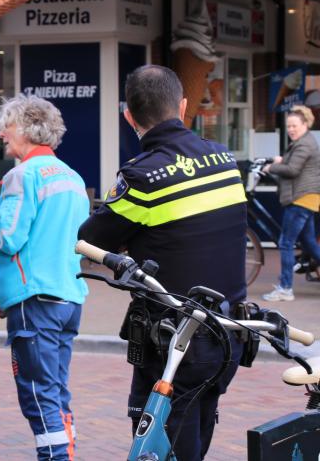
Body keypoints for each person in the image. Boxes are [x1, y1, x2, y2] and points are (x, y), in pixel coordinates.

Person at [78, 65, 248, 461]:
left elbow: (91, 238)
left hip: (176, 343)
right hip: (230, 335)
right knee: (197, 433)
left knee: (160, 446)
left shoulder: (142, 178)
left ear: (129, 117)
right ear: (184, 106)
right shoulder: (225, 160)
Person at [0, 94, 90, 461]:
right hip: (68, 297)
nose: (1, 134)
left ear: (24, 128)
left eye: (5, 126)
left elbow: (9, 237)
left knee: (37, 394)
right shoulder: (71, 176)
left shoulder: (22, 176)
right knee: (56, 389)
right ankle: (66, 452)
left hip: (34, 302)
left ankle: (55, 457)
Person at [262, 105, 320, 302]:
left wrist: (272, 167)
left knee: (286, 243)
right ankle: (285, 286)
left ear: (305, 124)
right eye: (288, 126)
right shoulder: (304, 142)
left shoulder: (305, 144)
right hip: (306, 198)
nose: (291, 129)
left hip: (300, 199)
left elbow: (293, 170)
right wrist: (281, 159)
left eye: (294, 125)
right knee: (310, 244)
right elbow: (295, 163)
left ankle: (285, 288)